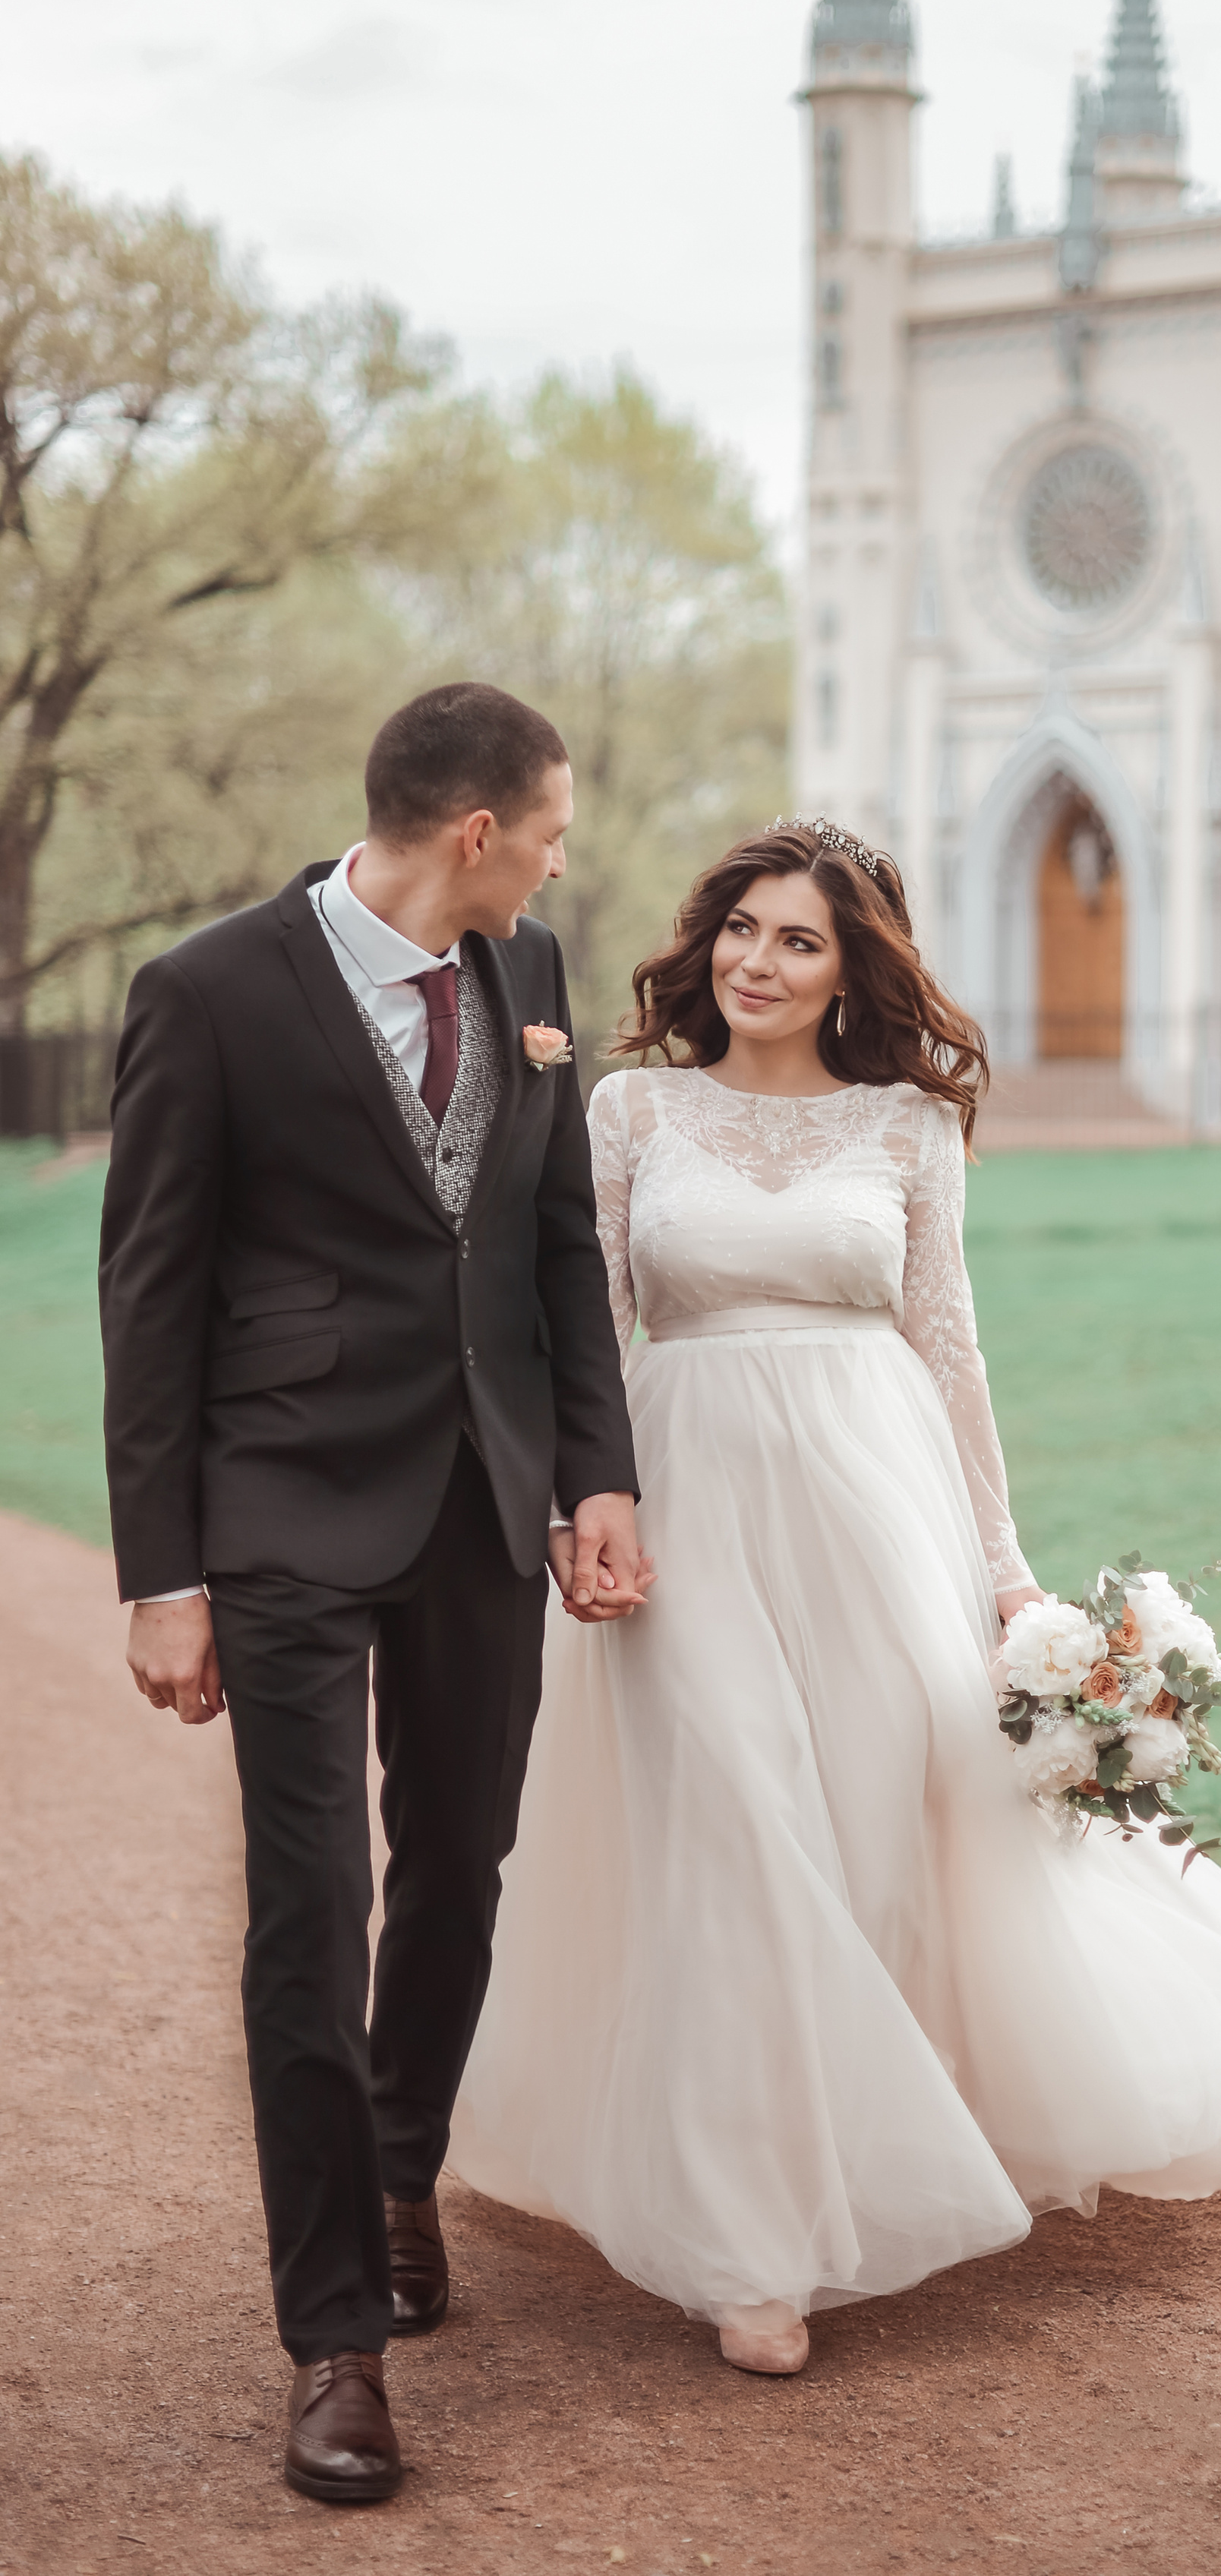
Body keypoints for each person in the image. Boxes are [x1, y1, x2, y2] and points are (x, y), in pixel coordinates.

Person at [451, 816, 1221, 2377]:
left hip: (876, 1513)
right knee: (733, 1829)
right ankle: (752, 2244)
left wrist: (1004, 1571)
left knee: (868, 1841)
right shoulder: (634, 1109)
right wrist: (576, 1506)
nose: (759, 961)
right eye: (742, 928)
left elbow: (950, 1353)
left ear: (851, 970)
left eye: (800, 939)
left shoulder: (910, 1128)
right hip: (684, 1505)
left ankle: (863, 2151)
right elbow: (584, 1328)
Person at [99, 682, 647, 2505]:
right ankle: (333, 2338)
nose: (558, 861)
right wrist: (163, 1571)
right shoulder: (207, 994)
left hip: (484, 1495)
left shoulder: (530, 966)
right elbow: (150, 1293)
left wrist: (593, 1473)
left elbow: (555, 1242)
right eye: (547, 832)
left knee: (461, 1865)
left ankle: (401, 2159)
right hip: (279, 1505)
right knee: (308, 1910)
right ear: (474, 832)